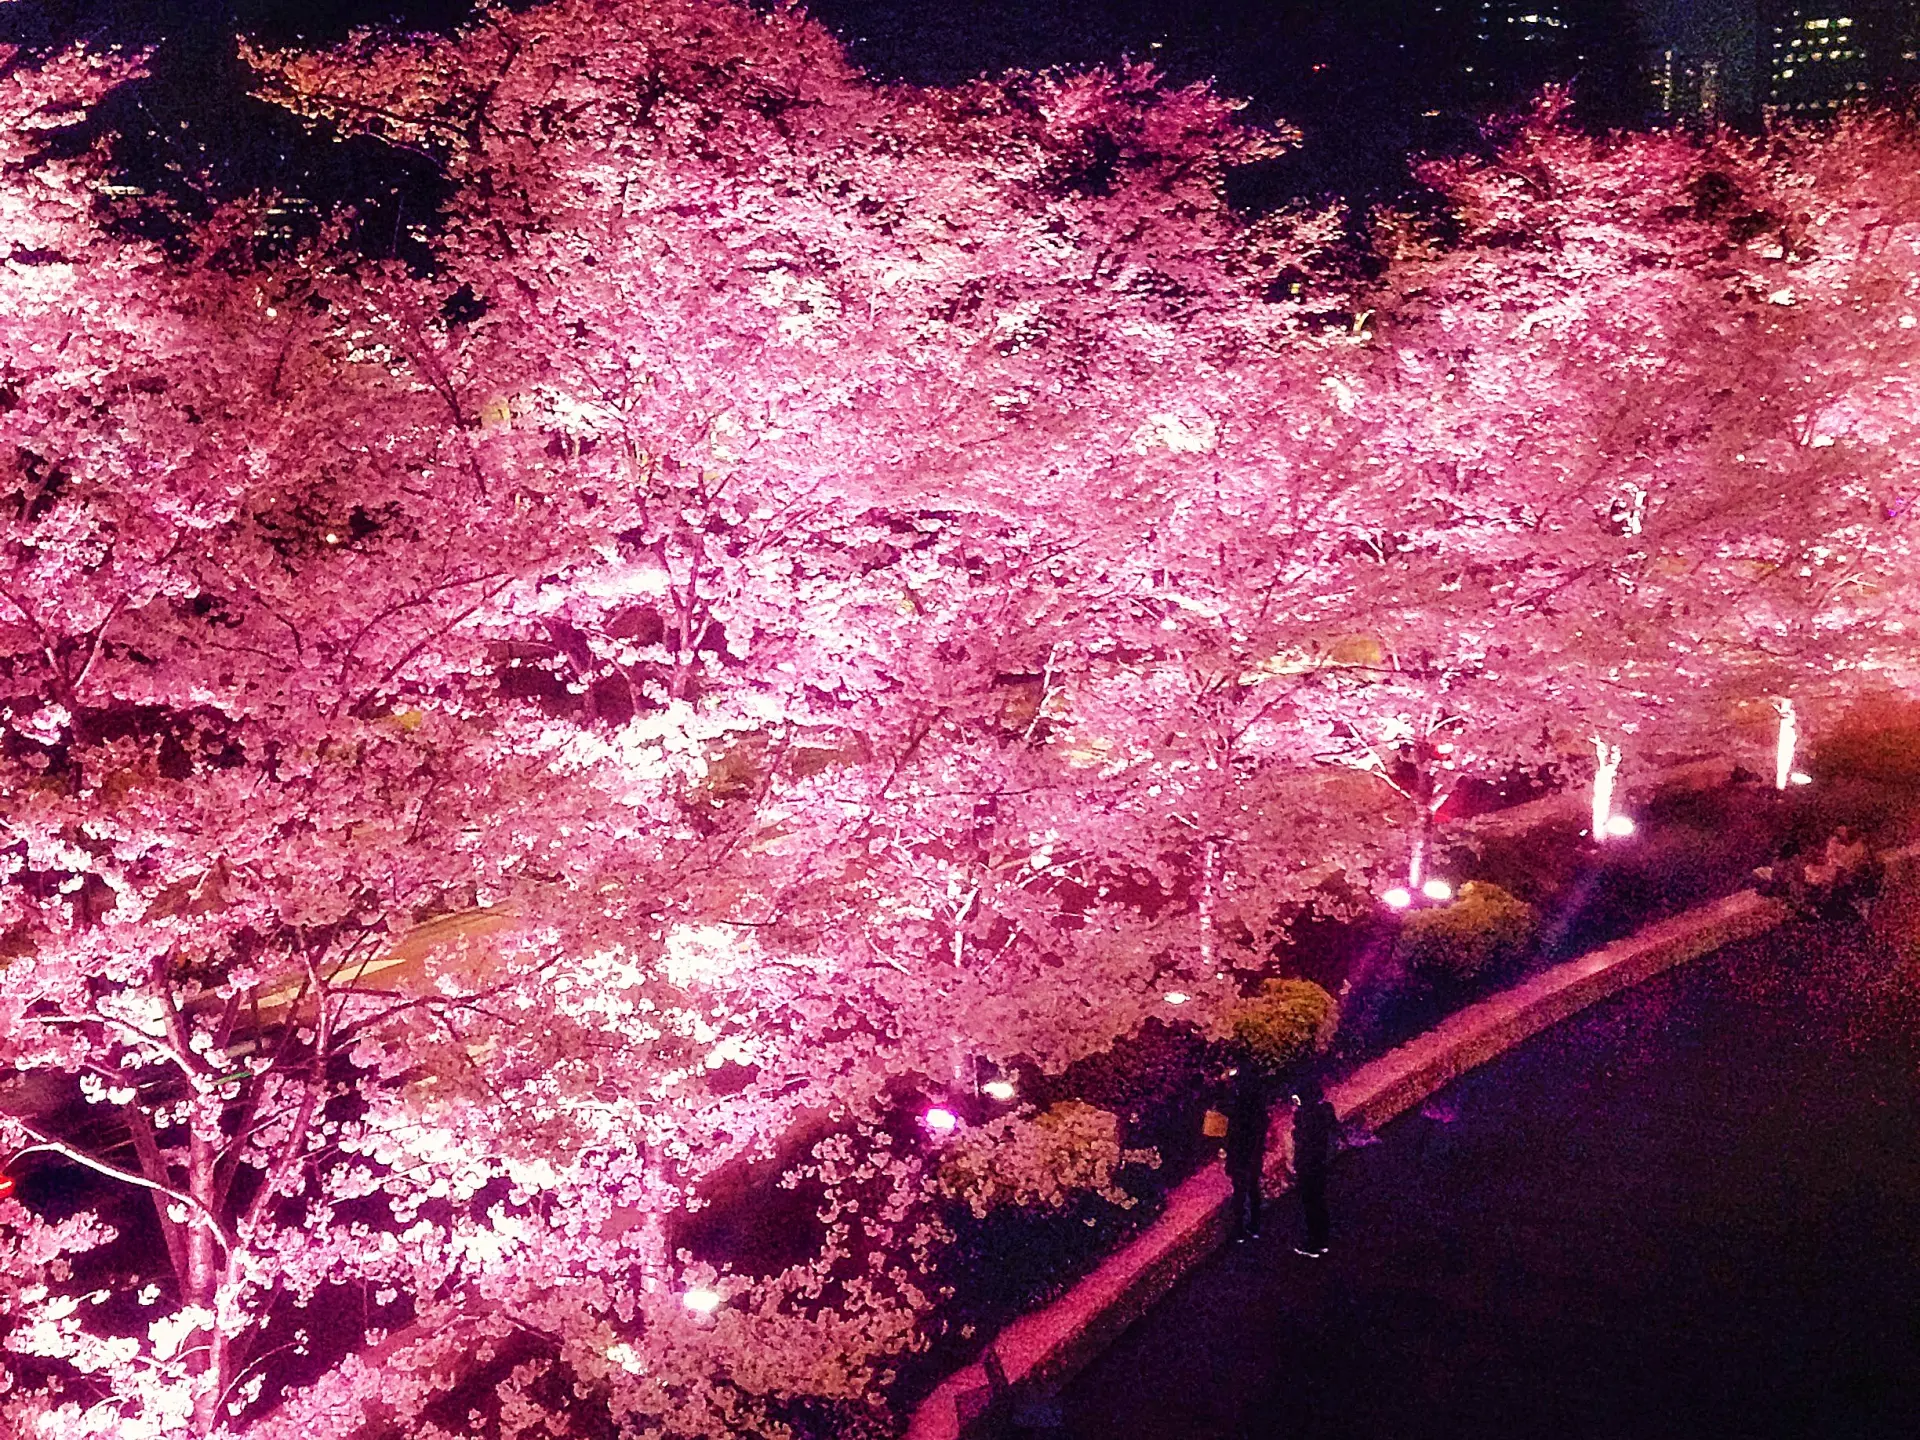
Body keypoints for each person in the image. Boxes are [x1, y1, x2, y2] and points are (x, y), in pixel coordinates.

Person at [1290, 1077, 1336, 1258]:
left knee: (1310, 1203)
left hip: (1308, 1165)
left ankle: (1314, 1243)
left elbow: (1301, 1141)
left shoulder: (1305, 1117)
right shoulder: (1325, 1111)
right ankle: (1322, 1240)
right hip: (1321, 1162)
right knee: (1319, 1202)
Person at [1224, 1065, 1271, 1241]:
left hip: (1241, 1154)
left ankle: (1240, 1228)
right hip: (1252, 1154)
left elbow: (1231, 1131)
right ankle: (1255, 1224)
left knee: (1241, 1191)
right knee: (1252, 1188)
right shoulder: (1257, 1110)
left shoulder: (1239, 1110)